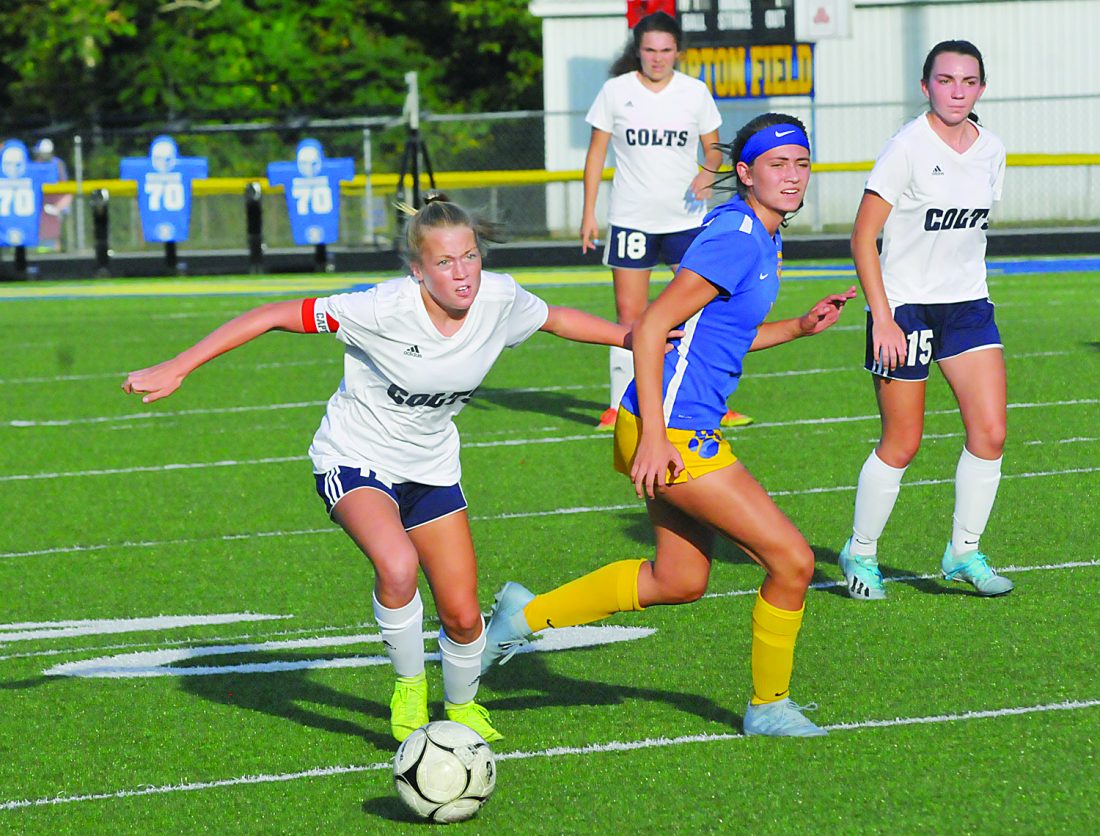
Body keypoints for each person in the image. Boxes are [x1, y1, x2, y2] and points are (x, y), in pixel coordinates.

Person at [121, 194, 645, 745]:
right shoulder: (379, 309)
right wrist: (178, 365)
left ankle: (462, 707)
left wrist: (633, 338)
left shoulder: (499, 298)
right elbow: (274, 315)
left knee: (464, 617)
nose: (462, 273)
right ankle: (409, 688)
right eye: (445, 262)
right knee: (397, 565)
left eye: (470, 256)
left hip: (431, 467)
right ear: (418, 270)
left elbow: (556, 319)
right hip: (355, 457)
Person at [482, 114, 858, 738]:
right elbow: (653, 326)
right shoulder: (738, 236)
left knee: (678, 579)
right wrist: (656, 439)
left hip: (665, 423)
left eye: (801, 163)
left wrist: (797, 327)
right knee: (793, 561)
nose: (793, 176)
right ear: (746, 173)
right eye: (777, 164)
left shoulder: (761, 234)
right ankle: (768, 707)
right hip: (673, 432)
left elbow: (714, 336)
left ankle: (522, 616)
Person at [837, 40, 1013, 601]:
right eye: (945, 80)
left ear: (981, 88)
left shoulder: (992, 150)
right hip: (905, 309)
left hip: (968, 306)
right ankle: (861, 551)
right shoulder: (906, 148)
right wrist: (883, 318)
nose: (957, 91)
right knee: (903, 442)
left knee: (990, 433)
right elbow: (863, 236)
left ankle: (963, 552)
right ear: (925, 86)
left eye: (968, 81)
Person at [581, 11, 753, 432]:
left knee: (702, 311)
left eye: (665, 50)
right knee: (629, 314)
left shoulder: (694, 92)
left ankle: (711, 401)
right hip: (631, 219)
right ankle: (618, 406)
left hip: (685, 220)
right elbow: (596, 153)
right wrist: (588, 213)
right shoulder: (616, 91)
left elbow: (714, 149)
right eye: (649, 50)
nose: (657, 58)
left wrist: (707, 172)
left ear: (678, 51)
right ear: (637, 51)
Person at [32, 138, 72, 252]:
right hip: (41, 202)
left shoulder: (58, 164)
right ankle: (42, 248)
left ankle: (58, 249)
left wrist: (59, 207)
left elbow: (65, 187)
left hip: (55, 201)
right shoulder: (35, 165)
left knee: (55, 225)